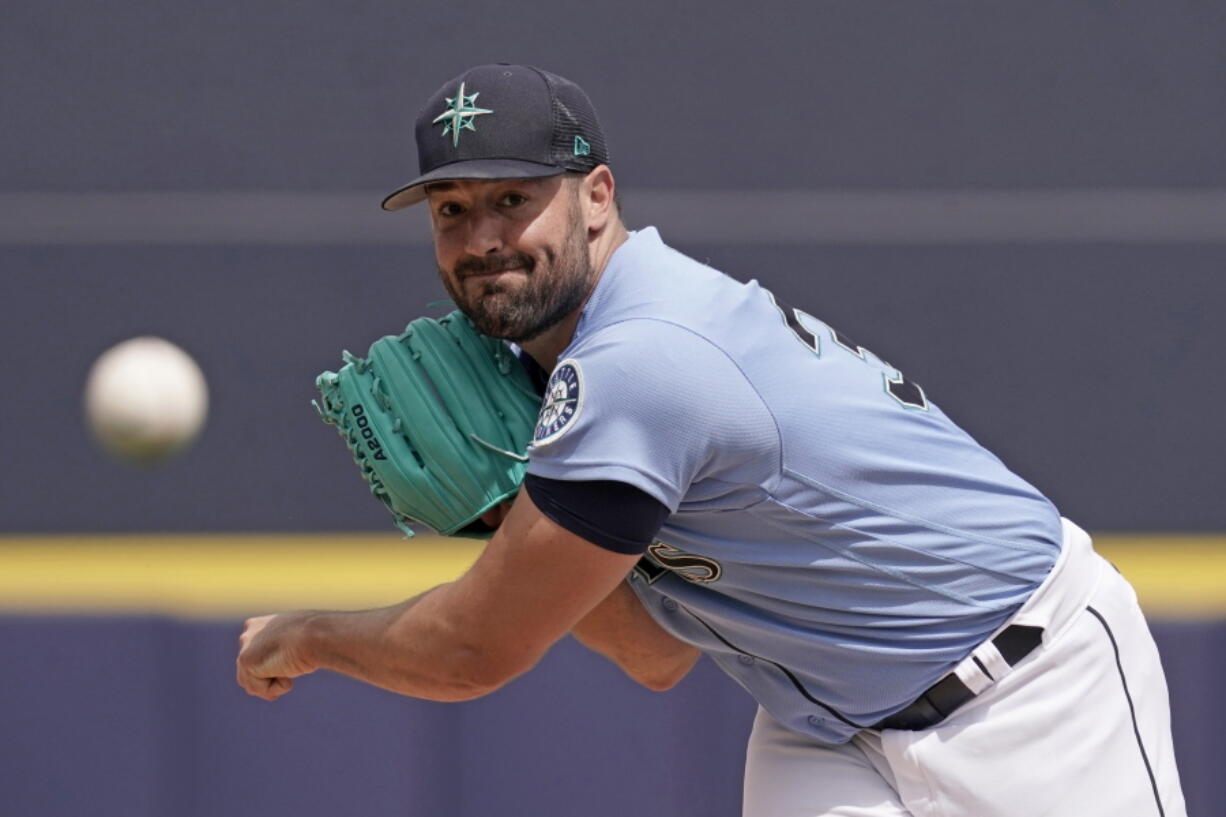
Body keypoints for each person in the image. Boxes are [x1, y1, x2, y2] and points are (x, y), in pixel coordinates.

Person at [236, 64, 1186, 817]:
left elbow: (473, 654)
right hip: (826, 723)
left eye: (513, 199)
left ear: (595, 196)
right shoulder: (578, 366)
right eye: (453, 211)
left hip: (1032, 685)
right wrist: (504, 514)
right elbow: (655, 653)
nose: (482, 237)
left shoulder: (641, 362)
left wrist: (305, 635)